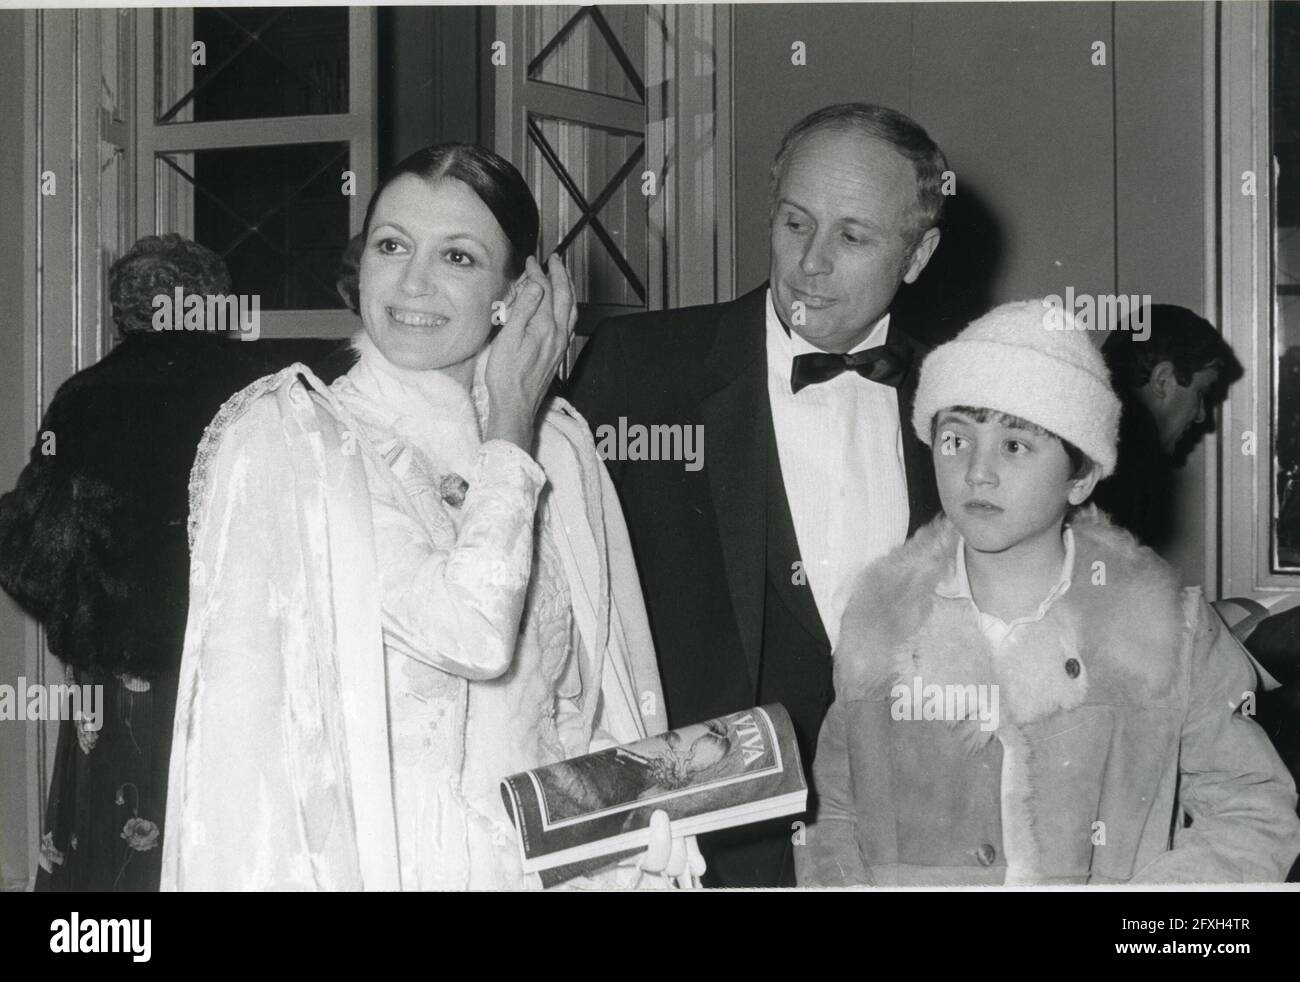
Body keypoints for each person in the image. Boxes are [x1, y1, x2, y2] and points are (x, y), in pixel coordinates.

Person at [160, 144, 703, 890]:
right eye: (391, 246)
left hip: (551, 867)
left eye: (458, 257)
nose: (413, 282)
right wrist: (509, 425)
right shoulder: (298, 441)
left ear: (517, 295)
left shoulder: (566, 444)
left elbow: (594, 698)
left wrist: (636, 837)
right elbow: (470, 632)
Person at [568, 103, 946, 886]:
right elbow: (559, 614)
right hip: (695, 853)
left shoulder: (960, 398)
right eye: (794, 223)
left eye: (853, 236)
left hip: (904, 846)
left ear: (918, 255)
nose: (811, 263)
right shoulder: (641, 368)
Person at [799, 301, 1300, 886]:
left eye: (1015, 445)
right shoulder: (879, 622)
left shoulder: (1168, 630)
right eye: (956, 438)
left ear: (1081, 475)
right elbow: (834, 822)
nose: (977, 473)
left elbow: (1252, 813)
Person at [0, 234, 269, 890]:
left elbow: (33, 547)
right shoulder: (259, 392)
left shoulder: (86, 396)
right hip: (247, 664)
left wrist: (86, 612)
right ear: (210, 303)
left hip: (125, 674)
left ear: (124, 310)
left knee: (118, 855)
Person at [1094, 304, 1242, 551]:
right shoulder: (1135, 453)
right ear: (1162, 381)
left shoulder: (1094, 435)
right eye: (1201, 393)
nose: (1201, 416)